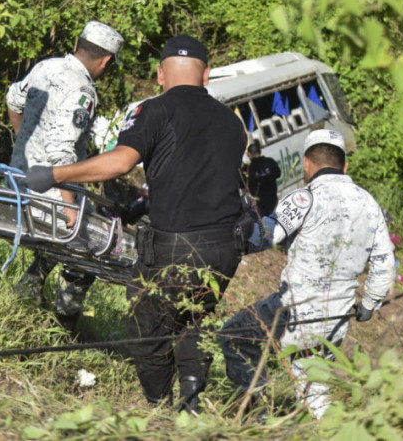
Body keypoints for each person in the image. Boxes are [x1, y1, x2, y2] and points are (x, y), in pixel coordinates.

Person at [22, 34, 248, 413]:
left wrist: (57, 174)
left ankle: (158, 410)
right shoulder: (233, 123)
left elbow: (121, 162)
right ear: (206, 75)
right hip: (226, 246)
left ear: (160, 75)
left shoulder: (154, 110)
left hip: (176, 244)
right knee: (194, 317)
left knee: (148, 330)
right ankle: (191, 410)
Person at [220, 129, 396, 419]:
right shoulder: (369, 204)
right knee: (314, 387)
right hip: (338, 315)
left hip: (294, 312)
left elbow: (267, 234)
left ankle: (261, 413)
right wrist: (369, 304)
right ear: (345, 165)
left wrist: (236, 237)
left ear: (306, 163)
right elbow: (384, 262)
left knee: (235, 335)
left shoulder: (305, 198)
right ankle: (309, 425)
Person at [6, 21, 124, 330]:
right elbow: (62, 153)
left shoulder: (47, 67)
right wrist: (70, 206)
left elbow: (13, 100)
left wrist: (23, 145)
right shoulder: (82, 90)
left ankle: (30, 287)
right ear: (107, 61)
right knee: (93, 247)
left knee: (70, 233)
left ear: (78, 44)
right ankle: (65, 322)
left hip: (19, 178)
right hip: (50, 191)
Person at [244, 140, 281, 216]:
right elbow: (278, 174)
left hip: (257, 204)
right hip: (273, 200)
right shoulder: (270, 162)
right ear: (259, 151)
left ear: (249, 154)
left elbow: (242, 183)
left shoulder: (248, 168)